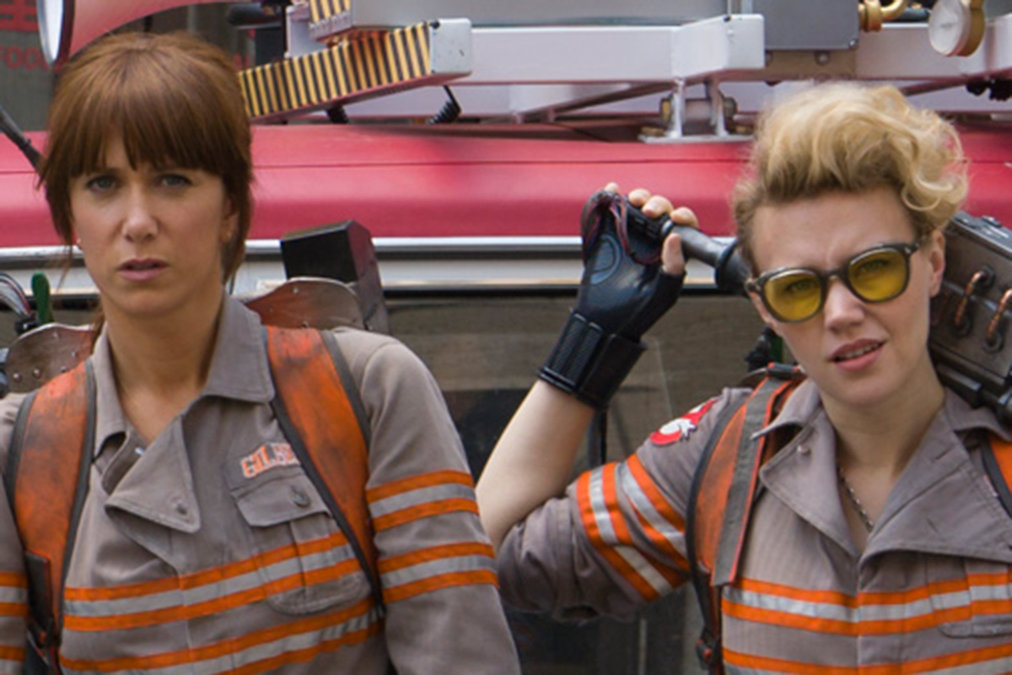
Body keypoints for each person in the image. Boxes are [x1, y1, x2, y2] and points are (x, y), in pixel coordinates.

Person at [0, 31, 520, 674]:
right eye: (103, 183)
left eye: (172, 180)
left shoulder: (368, 391)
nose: (137, 221)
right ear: (70, 216)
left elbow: (461, 656)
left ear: (230, 207)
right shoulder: (24, 450)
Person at [476, 82, 1012, 673]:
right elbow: (482, 554)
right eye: (797, 288)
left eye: (875, 269)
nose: (841, 313)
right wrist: (595, 336)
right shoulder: (726, 458)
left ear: (933, 262)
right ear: (763, 306)